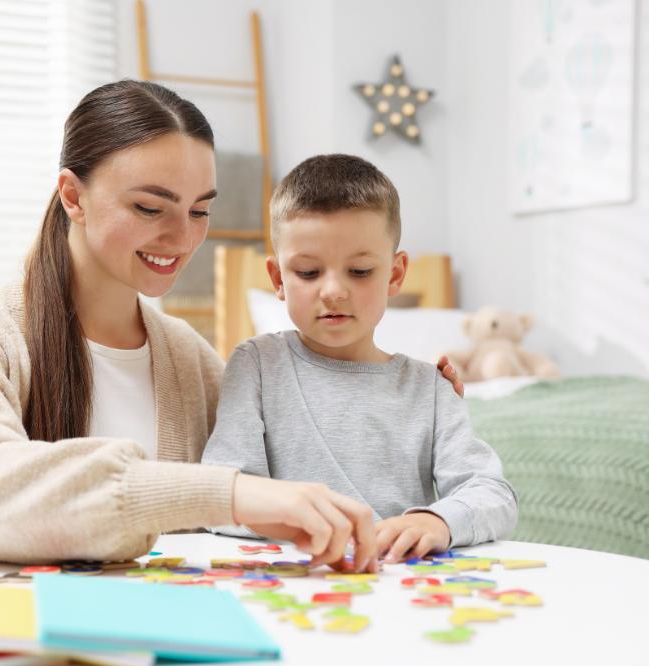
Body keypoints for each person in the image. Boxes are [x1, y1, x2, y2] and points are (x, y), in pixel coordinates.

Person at [0, 81, 461, 572]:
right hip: (11, 630)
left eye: (199, 211)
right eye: (152, 208)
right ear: (73, 197)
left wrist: (405, 392)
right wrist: (230, 494)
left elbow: (302, 450)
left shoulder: (191, 360)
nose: (181, 239)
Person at [201, 154, 518, 563]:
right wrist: (298, 520)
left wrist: (437, 522)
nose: (333, 291)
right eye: (309, 273)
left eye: (360, 271)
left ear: (396, 274)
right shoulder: (257, 365)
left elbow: (493, 494)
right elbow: (221, 494)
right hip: (287, 583)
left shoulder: (430, 389)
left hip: (396, 587)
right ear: (278, 279)